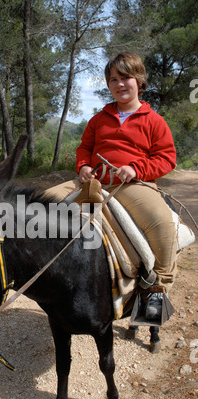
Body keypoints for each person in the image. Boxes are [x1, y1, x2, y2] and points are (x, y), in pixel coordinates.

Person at [76, 52, 177, 320]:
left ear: (139, 81)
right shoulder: (99, 118)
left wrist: (136, 169)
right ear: (108, 85)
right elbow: (85, 148)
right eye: (113, 79)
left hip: (134, 185)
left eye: (125, 78)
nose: (120, 84)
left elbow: (167, 159)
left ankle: (156, 288)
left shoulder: (153, 120)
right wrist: (84, 166)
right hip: (96, 182)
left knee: (162, 224)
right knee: (47, 205)